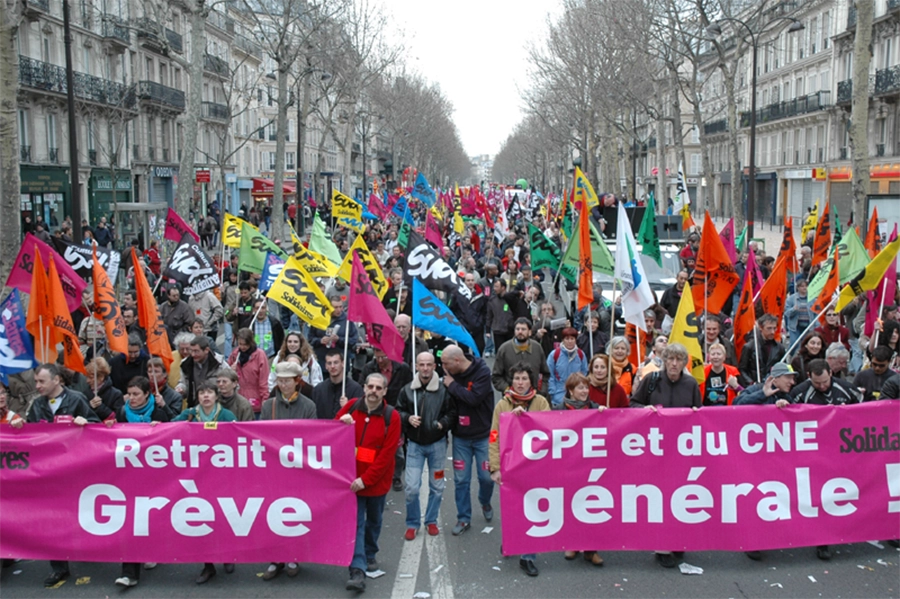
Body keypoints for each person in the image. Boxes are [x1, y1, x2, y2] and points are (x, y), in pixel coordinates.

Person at [24, 364, 100, 586]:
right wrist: (19, 426)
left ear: (57, 380)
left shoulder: (76, 399)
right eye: (36, 381)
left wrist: (86, 423)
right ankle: (58, 567)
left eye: (42, 381)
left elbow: (97, 425)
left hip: (74, 470)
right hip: (48, 471)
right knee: (51, 519)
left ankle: (90, 548)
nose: (37, 386)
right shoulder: (37, 404)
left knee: (80, 513)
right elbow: (29, 433)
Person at [629, 343, 700, 568]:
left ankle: (678, 541)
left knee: (681, 496)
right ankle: (662, 546)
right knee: (659, 497)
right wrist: (645, 411)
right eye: (670, 359)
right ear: (664, 361)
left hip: (681, 450)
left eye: (679, 360)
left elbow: (700, 413)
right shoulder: (651, 381)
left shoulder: (690, 384)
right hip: (655, 449)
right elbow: (633, 403)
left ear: (684, 363)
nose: (674, 364)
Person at [337, 373, 402, 592]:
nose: (373, 391)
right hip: (351, 480)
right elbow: (331, 432)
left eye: (378, 388)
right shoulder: (353, 407)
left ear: (384, 391)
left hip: (374, 483)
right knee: (357, 524)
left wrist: (366, 480)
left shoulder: (391, 417)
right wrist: (340, 422)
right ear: (364, 388)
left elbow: (386, 455)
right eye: (370, 387)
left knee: (374, 521)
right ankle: (358, 569)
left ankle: (370, 553)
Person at [488, 362, 551, 577]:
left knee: (533, 509)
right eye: (517, 379)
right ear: (511, 381)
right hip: (510, 465)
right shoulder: (502, 405)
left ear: (531, 381)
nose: (520, 383)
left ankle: (528, 557)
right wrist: (495, 468)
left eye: (524, 379)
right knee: (512, 508)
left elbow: (549, 431)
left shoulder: (541, 402)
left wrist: (526, 419)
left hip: (535, 466)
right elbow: (494, 436)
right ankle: (511, 541)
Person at [440, 345, 495, 536]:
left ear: (457, 361)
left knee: (486, 477)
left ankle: (485, 500)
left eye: (446, 363)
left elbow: (474, 399)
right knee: (461, 480)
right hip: (461, 437)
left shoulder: (481, 371)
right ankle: (463, 518)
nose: (443, 368)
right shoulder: (450, 374)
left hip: (482, 435)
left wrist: (452, 385)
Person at [397, 352, 452, 540]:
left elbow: (452, 413)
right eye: (422, 364)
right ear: (417, 366)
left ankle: (431, 520)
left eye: (429, 364)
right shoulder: (407, 390)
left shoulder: (444, 390)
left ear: (434, 366)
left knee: (437, 486)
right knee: (411, 487)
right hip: (415, 445)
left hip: (437, 445)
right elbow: (398, 411)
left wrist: (442, 424)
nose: (425, 368)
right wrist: (407, 418)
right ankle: (412, 523)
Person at [492, 318, 550, 395]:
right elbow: (496, 376)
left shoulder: (537, 348)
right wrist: (507, 389)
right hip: (511, 398)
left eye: (523, 329)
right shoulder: (504, 349)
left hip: (535, 397)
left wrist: (541, 391)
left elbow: (545, 374)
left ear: (530, 332)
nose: (520, 332)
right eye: (517, 329)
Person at [228, 327, 270, 415]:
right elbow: (227, 378)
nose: (242, 347)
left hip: (255, 402)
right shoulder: (234, 355)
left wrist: (265, 399)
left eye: (245, 344)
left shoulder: (260, 355)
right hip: (238, 402)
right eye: (240, 344)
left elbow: (263, 381)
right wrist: (231, 371)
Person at [312, 348, 363, 419]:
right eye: (329, 363)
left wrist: (348, 407)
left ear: (343, 363)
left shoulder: (355, 389)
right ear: (326, 366)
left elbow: (360, 416)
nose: (332, 366)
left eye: (336, 362)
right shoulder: (318, 390)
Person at [309, 296, 359, 370]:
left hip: (341, 364)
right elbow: (310, 339)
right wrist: (320, 341)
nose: (339, 310)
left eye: (340, 307)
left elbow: (354, 340)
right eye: (335, 307)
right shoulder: (319, 318)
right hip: (322, 363)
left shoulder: (347, 320)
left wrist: (339, 340)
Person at [738, 314, 786, 387]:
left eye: (774, 328)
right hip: (754, 386)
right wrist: (751, 383)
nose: (772, 332)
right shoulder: (749, 346)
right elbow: (742, 369)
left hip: (773, 385)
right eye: (769, 328)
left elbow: (784, 368)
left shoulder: (779, 348)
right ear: (761, 328)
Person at [789, 359, 862, 407]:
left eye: (825, 381)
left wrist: (846, 410)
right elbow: (790, 412)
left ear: (830, 373)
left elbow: (863, 406)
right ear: (809, 376)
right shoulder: (799, 392)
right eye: (817, 383)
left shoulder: (847, 388)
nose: (822, 386)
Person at [269, 332, 323, 396]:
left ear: (301, 343)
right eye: (289, 341)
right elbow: (272, 377)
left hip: (305, 395)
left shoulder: (310, 359)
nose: (292, 344)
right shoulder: (279, 358)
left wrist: (314, 395)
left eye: (295, 342)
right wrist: (273, 394)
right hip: (283, 395)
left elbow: (316, 380)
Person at [178, 335, 225, 408]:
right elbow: (184, 382)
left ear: (206, 350)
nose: (193, 354)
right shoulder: (186, 364)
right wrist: (181, 388)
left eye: (196, 351)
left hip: (217, 406)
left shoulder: (219, 364)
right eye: (191, 351)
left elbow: (231, 384)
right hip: (194, 406)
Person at [546, 327, 588, 407]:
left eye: (572, 338)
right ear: (563, 340)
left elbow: (584, 373)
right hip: (558, 397)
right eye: (567, 338)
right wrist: (553, 392)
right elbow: (550, 374)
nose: (570, 341)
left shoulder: (581, 354)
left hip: (577, 397)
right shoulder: (554, 354)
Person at [85, 357, 125, 421]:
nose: (87, 381)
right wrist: (89, 406)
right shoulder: (85, 393)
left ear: (101, 377)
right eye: (87, 377)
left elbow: (118, 419)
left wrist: (100, 407)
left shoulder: (116, 394)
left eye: (91, 377)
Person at [784, 277, 813, 345]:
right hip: (795, 326)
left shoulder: (812, 298)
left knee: (806, 343)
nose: (804, 288)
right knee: (794, 343)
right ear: (798, 288)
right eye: (802, 286)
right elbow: (787, 313)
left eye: (806, 286)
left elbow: (815, 312)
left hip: (808, 326)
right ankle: (791, 355)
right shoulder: (791, 299)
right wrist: (793, 309)